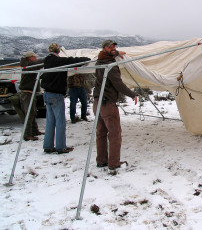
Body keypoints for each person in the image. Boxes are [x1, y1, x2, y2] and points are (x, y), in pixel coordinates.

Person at [93, 39, 137, 170]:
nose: (113, 48)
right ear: (104, 48)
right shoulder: (110, 65)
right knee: (114, 134)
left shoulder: (99, 61)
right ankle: (114, 163)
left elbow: (109, 53)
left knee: (100, 133)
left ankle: (101, 161)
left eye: (114, 46)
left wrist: (116, 52)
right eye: (110, 47)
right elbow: (118, 84)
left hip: (97, 103)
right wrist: (132, 94)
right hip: (108, 104)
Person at [41, 43, 90, 154]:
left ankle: (48, 146)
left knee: (50, 121)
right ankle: (61, 147)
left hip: (47, 94)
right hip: (56, 95)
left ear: (49, 51)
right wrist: (86, 59)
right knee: (60, 121)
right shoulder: (57, 61)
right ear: (58, 51)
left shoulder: (47, 60)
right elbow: (71, 60)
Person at [19, 51, 44, 141]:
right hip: (27, 92)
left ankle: (34, 130)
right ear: (30, 57)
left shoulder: (28, 64)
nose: (35, 58)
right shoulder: (29, 65)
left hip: (30, 92)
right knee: (29, 113)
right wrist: (48, 59)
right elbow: (38, 64)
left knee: (32, 112)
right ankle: (27, 134)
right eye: (34, 57)